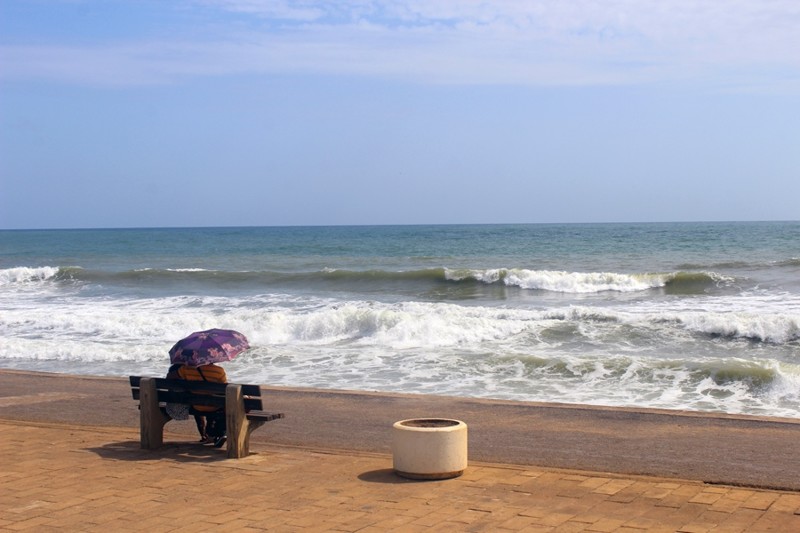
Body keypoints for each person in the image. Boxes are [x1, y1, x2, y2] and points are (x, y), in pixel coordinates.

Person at [177, 363, 228, 447]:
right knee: (221, 407)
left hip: (195, 406)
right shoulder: (219, 371)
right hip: (214, 406)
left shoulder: (185, 369)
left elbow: (178, 381)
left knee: (202, 401)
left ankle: (210, 434)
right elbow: (224, 390)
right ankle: (215, 433)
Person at [166, 363, 209, 443]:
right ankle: (204, 434)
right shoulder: (188, 371)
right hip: (188, 405)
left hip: (173, 405)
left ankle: (203, 434)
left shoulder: (174, 370)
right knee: (198, 404)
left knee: (195, 402)